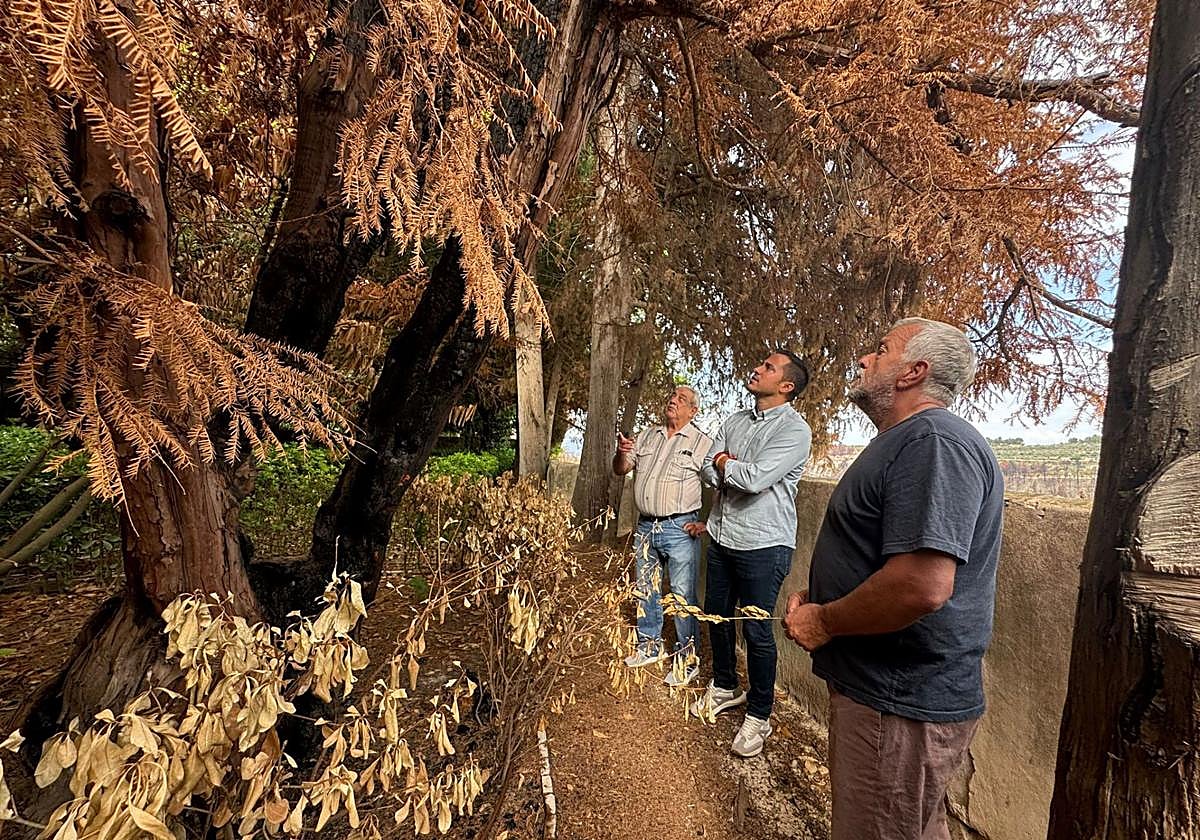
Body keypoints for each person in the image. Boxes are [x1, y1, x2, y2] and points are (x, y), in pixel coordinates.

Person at [783, 318, 1003, 840]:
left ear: (914, 371)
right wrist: (828, 595)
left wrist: (827, 620)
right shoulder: (910, 441)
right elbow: (889, 557)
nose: (864, 359)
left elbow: (921, 585)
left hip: (897, 700)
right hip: (891, 697)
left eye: (880, 351)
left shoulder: (932, 442)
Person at [691, 349, 811, 758]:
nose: (757, 368)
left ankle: (760, 714)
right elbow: (708, 470)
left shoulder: (795, 431)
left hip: (764, 543)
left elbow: (756, 479)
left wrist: (727, 465)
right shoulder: (735, 420)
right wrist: (727, 464)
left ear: (786, 386)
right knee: (716, 616)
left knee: (757, 630)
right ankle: (725, 685)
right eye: (760, 363)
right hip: (723, 536)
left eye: (768, 367)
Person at [614, 385, 714, 686]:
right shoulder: (646, 436)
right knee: (646, 589)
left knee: (683, 595)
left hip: (680, 528)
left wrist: (709, 523)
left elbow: (722, 487)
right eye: (672, 396)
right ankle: (649, 645)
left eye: (681, 399)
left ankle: (687, 659)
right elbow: (621, 470)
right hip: (645, 525)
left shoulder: (703, 444)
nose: (673, 400)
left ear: (692, 411)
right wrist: (621, 454)